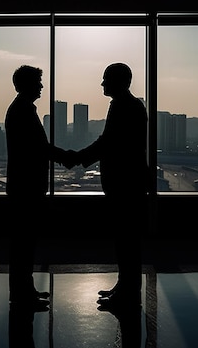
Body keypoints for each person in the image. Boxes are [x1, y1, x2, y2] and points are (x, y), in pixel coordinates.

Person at [72, 62, 149, 308]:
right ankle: (125, 285)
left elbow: (108, 142)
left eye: (106, 79)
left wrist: (79, 157)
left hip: (125, 183)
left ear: (118, 81)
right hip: (129, 182)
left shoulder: (123, 106)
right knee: (126, 238)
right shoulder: (131, 105)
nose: (102, 84)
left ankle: (127, 291)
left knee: (126, 239)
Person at [5, 64, 73, 310]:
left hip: (24, 186)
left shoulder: (21, 109)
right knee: (24, 243)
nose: (42, 86)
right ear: (27, 84)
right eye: (38, 82)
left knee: (24, 243)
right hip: (26, 187)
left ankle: (25, 291)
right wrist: (67, 156)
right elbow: (39, 148)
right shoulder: (23, 111)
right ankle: (23, 294)